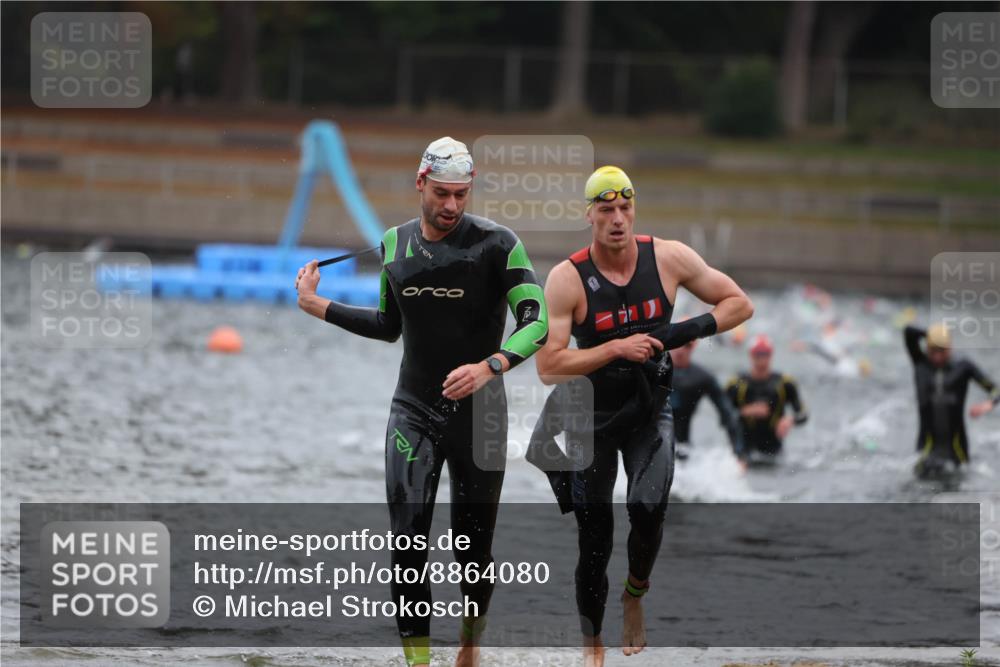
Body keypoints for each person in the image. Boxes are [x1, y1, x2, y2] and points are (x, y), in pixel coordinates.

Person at [296, 137, 548, 667]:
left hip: (482, 415)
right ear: (420, 184)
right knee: (408, 542)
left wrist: (491, 366)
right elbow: (389, 327)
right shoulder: (394, 244)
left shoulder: (499, 245)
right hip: (413, 410)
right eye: (441, 193)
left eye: (460, 194)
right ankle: (418, 663)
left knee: (471, 553)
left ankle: (471, 643)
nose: (451, 205)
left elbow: (537, 322)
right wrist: (318, 305)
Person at [532, 166, 753, 666]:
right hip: (592, 418)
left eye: (625, 208)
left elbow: (739, 304)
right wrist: (615, 348)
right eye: (606, 210)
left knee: (648, 509)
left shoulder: (669, 257)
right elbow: (549, 365)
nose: (617, 219)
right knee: (595, 539)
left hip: (650, 414)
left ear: (634, 209)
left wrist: (672, 336)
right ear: (588, 214)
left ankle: (634, 595)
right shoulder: (568, 278)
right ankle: (593, 644)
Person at [904, 323, 999, 478]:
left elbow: (996, 390)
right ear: (927, 348)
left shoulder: (963, 368)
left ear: (950, 348)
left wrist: (988, 404)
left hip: (957, 450)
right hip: (927, 449)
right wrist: (934, 333)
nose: (937, 357)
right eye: (933, 351)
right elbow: (908, 331)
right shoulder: (920, 364)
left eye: (942, 351)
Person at [726, 334, 808, 461]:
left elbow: (803, 415)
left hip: (774, 452)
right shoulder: (736, 384)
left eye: (765, 354)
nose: (761, 359)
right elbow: (722, 414)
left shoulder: (785, 384)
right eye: (758, 354)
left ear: (771, 355)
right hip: (743, 451)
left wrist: (789, 420)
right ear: (751, 355)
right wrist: (745, 411)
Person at [668, 332, 744, 462]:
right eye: (676, 343)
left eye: (686, 345)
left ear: (694, 346)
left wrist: (738, 455)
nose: (680, 350)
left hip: (683, 447)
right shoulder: (653, 371)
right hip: (650, 443)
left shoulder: (702, 378)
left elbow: (727, 414)